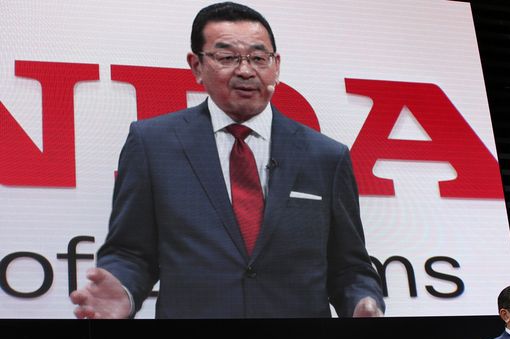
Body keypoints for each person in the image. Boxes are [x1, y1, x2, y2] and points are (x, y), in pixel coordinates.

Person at [70, 2, 385, 319]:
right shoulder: (152, 144)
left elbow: (350, 267)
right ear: (196, 66)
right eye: (227, 57)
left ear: (276, 65)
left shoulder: (326, 156)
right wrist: (123, 290)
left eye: (259, 58)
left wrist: (362, 303)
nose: (246, 70)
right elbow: (131, 252)